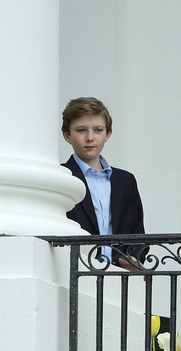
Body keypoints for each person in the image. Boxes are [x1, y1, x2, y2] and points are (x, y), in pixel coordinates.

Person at [61, 97, 146, 270]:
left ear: (108, 134)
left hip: (119, 276)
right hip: (75, 272)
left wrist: (129, 259)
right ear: (67, 135)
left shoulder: (126, 181)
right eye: (81, 130)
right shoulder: (61, 177)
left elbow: (138, 233)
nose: (90, 138)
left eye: (98, 130)